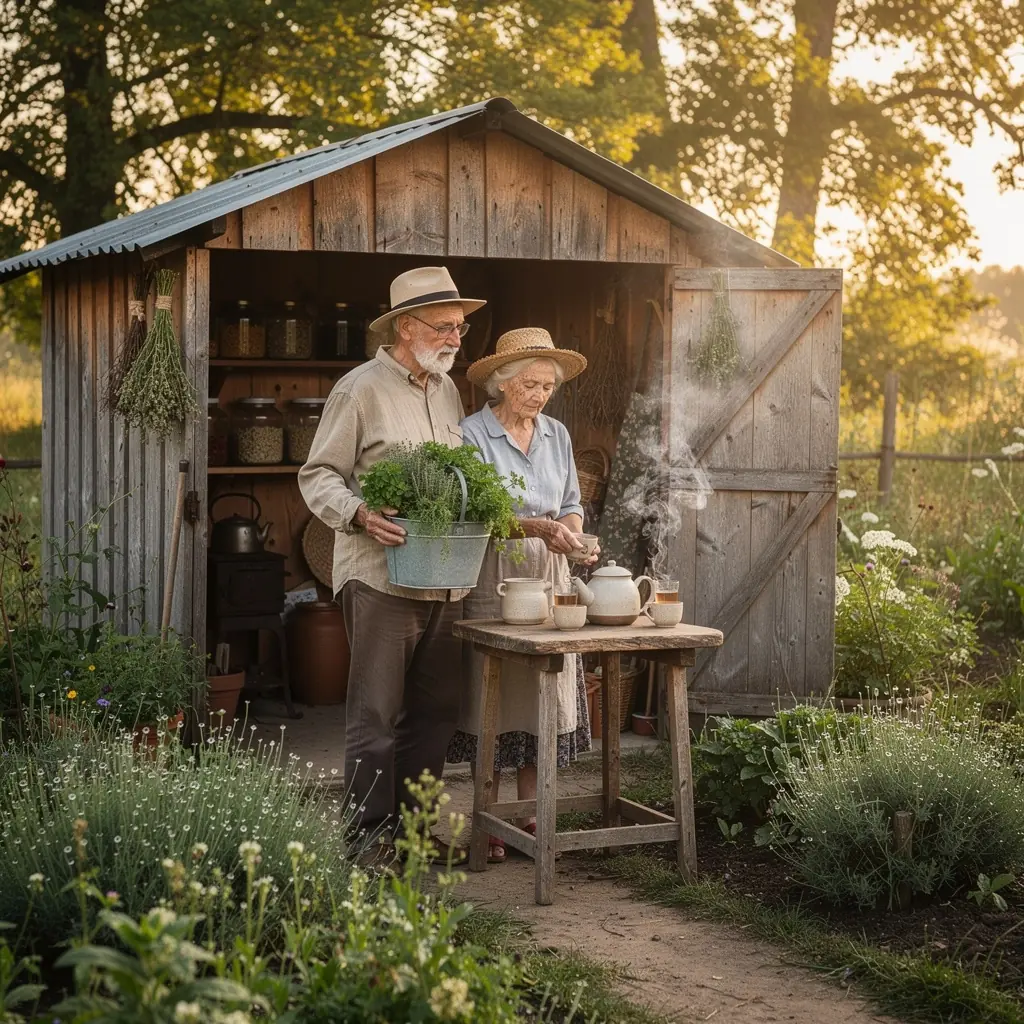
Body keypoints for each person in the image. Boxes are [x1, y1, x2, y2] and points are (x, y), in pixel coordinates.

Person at [298, 266, 485, 857]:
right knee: (376, 715)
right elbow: (318, 473)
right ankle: (369, 839)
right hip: (380, 576)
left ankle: (414, 830)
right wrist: (357, 513)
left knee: (434, 713)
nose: (457, 338)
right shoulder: (360, 388)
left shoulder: (448, 390)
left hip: (444, 578)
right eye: (446, 327)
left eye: (460, 328)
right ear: (407, 327)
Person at [446, 327, 598, 863]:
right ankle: (489, 820)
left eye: (547, 387)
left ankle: (531, 816)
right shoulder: (470, 435)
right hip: (496, 578)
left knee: (542, 707)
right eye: (530, 384)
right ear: (501, 383)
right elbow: (474, 515)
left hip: (552, 579)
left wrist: (572, 535)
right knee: (493, 703)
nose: (539, 395)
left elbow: (572, 501)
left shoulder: (556, 434)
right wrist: (537, 528)